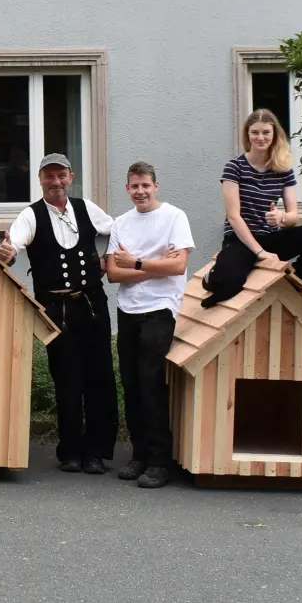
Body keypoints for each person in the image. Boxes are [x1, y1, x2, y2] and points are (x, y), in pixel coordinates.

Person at [0, 153, 119, 473]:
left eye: (61, 175)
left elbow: (118, 231)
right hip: (56, 309)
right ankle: (70, 451)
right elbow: (13, 246)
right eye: (49, 176)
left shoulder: (87, 208)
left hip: (92, 305)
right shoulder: (31, 215)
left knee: (100, 377)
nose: (56, 182)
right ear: (40, 180)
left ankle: (96, 451)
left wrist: (110, 260)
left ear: (71, 177)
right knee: (67, 379)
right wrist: (5, 253)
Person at [104, 162, 194, 489]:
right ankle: (139, 455)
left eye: (146, 185)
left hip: (161, 308)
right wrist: (158, 266)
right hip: (128, 310)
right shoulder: (121, 224)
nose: (140, 192)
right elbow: (114, 274)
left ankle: (159, 461)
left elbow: (180, 265)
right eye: (134, 186)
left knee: (150, 381)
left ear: (156, 185)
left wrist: (137, 263)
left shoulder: (174, 217)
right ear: (127, 189)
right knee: (130, 382)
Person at [204, 110, 302, 305]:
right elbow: (234, 217)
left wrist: (281, 217)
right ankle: (213, 277)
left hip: (271, 237)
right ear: (248, 135)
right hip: (241, 239)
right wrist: (260, 253)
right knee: (228, 285)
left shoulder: (283, 169)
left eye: (266, 132)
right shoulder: (234, 167)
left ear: (274, 134)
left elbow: (294, 216)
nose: (260, 137)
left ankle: (299, 285)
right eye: (255, 132)